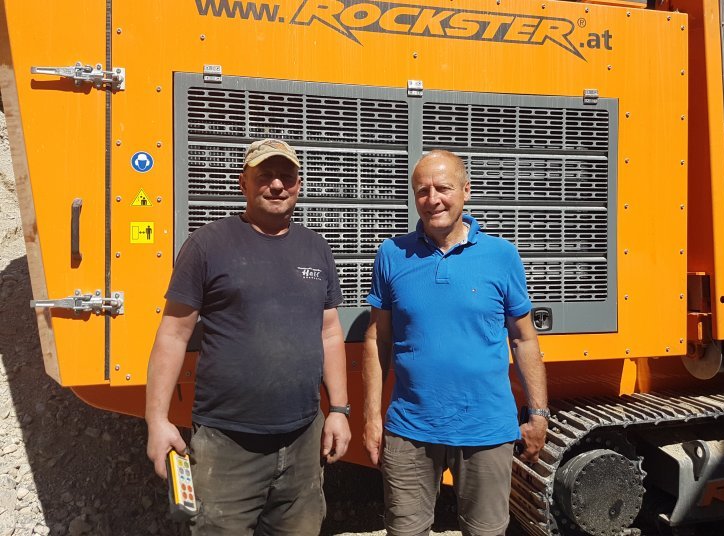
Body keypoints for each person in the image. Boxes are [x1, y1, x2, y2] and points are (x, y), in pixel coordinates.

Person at [145, 139, 352, 535]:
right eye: (265, 176)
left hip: (303, 440)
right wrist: (157, 420)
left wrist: (339, 411)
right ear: (243, 183)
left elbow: (329, 333)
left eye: (286, 176)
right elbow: (172, 335)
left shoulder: (316, 247)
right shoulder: (207, 245)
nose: (277, 185)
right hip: (226, 445)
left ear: (299, 184)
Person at [362, 150, 549, 536]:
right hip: (410, 428)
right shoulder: (391, 254)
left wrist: (538, 413)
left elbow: (525, 339)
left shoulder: (502, 255)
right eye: (422, 191)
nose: (433, 199)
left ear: (465, 191)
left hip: (487, 429)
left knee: (485, 531)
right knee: (405, 530)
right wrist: (371, 417)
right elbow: (376, 340)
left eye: (443, 188)